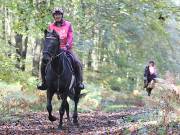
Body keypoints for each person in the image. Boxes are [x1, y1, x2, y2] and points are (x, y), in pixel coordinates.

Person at [37, 7, 84, 90]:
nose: (57, 16)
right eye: (55, 15)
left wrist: (67, 46)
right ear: (53, 16)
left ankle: (79, 82)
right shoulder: (51, 26)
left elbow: (70, 37)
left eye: (59, 14)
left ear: (62, 15)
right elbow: (49, 38)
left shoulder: (68, 24)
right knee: (43, 62)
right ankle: (44, 82)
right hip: (54, 51)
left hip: (67, 49)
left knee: (77, 62)